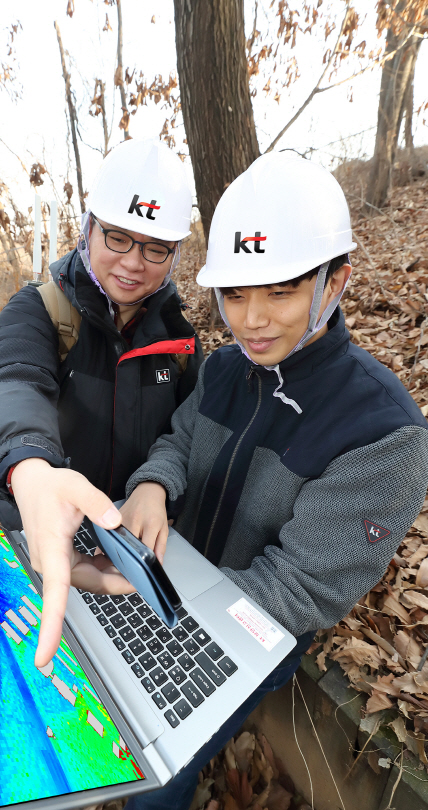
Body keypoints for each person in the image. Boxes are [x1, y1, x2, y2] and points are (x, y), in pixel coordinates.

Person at [119, 151, 428, 810]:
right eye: (233, 293)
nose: (251, 319)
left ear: (335, 282)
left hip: (247, 635)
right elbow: (178, 440)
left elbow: (298, 587)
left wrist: (164, 613)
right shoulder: (227, 369)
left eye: (281, 289)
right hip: (168, 590)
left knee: (156, 778)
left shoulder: (381, 430)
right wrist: (151, 484)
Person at [0, 138, 203, 666]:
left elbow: (189, 428)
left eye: (155, 247)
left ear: (175, 254)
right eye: (118, 237)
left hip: (131, 553)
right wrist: (29, 467)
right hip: (48, 537)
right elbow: (9, 381)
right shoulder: (38, 312)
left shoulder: (178, 336)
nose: (134, 263)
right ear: (88, 227)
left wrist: (157, 483)